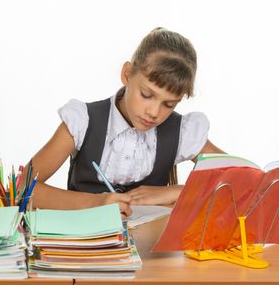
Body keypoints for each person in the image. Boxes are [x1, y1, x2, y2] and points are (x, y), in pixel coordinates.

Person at [24, 28, 224, 215]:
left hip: (153, 250)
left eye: (169, 104)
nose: (154, 112)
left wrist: (178, 192)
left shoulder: (182, 132)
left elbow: (246, 181)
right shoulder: (83, 121)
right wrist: (95, 203)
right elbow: (22, 188)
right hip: (88, 248)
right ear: (127, 74)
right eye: (146, 94)